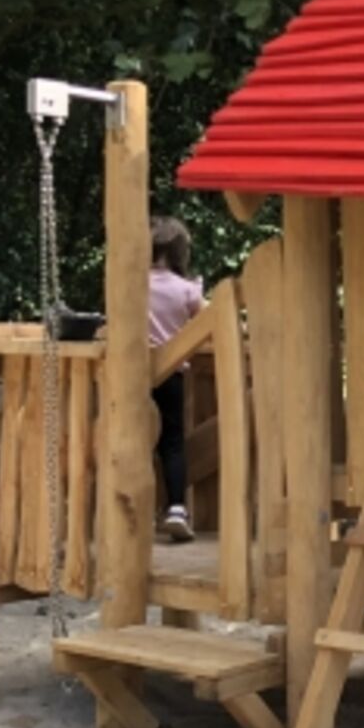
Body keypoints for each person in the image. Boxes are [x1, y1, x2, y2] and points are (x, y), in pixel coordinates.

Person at [148, 216, 205, 542]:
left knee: (137, 439)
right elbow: (208, 318)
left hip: (134, 375)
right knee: (171, 443)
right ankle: (176, 508)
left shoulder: (131, 283)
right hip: (171, 375)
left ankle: (135, 506)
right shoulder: (186, 290)